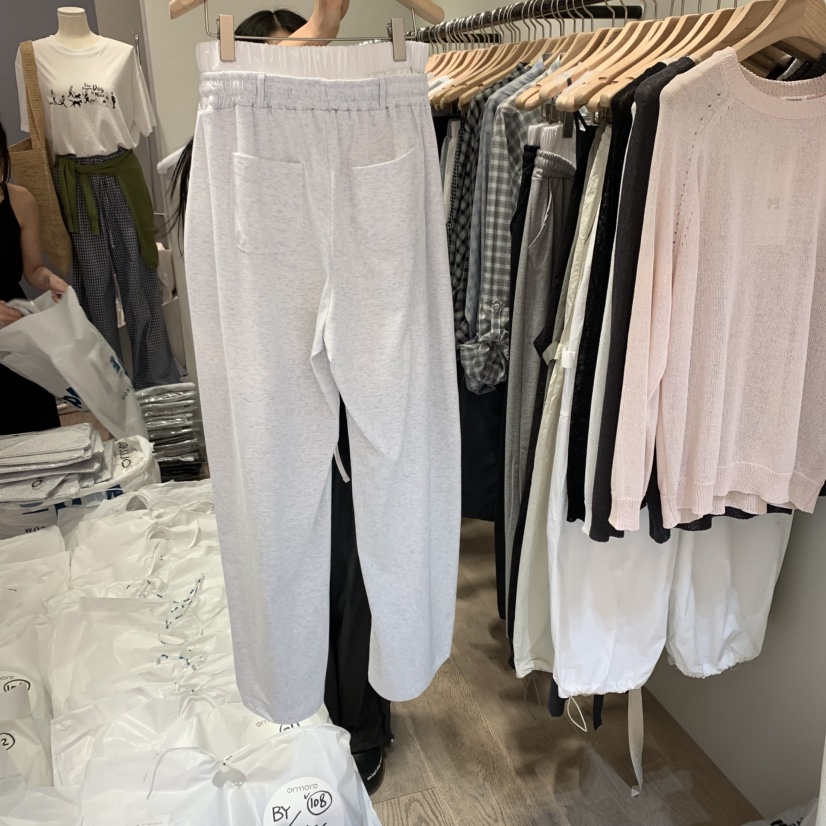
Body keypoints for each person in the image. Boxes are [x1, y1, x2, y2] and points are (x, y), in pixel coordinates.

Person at [170, 7, 393, 796]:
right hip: (269, 393)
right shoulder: (216, 140)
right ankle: (317, 707)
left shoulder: (366, 120)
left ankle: (359, 715)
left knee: (360, 548)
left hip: (348, 394)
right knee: (294, 544)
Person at [0, 117, 69, 436]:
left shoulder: (21, 200)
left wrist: (50, 281)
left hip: (17, 324)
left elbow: (32, 269)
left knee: (37, 425)